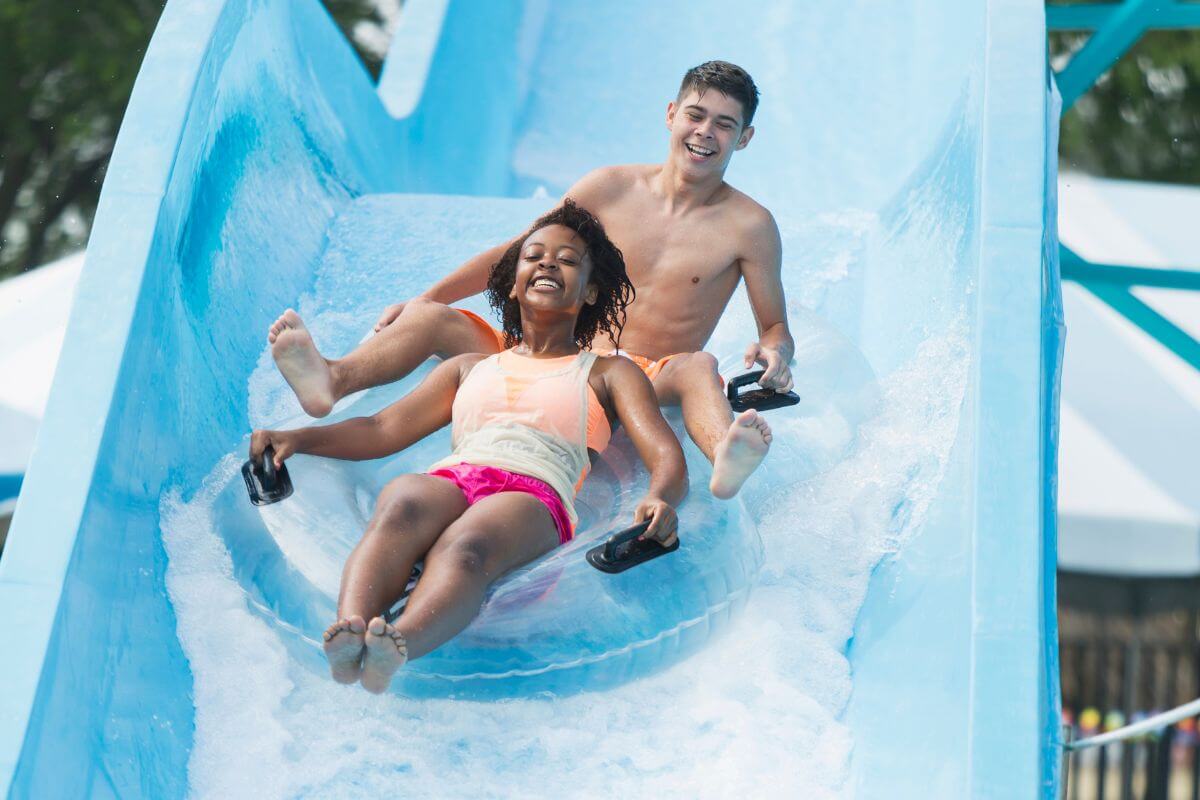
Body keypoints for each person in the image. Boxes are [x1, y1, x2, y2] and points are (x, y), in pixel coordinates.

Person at [268, 60, 790, 500]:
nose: (705, 132)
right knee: (430, 319)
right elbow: (519, 252)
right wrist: (424, 299)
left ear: (744, 138)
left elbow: (774, 328)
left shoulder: (749, 226)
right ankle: (330, 382)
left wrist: (776, 355)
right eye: (696, 115)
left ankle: (727, 455)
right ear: (671, 115)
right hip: (553, 348)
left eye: (724, 124)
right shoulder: (611, 187)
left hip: (647, 374)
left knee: (700, 365)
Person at [250, 202, 689, 693]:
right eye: (534, 256)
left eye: (567, 260)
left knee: (467, 542)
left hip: (534, 491)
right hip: (459, 473)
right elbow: (381, 430)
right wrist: (296, 439)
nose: (547, 263)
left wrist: (661, 497)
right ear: (511, 280)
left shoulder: (607, 373)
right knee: (402, 499)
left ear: (590, 291)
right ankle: (351, 629)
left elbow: (664, 452)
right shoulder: (469, 367)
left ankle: (398, 644)